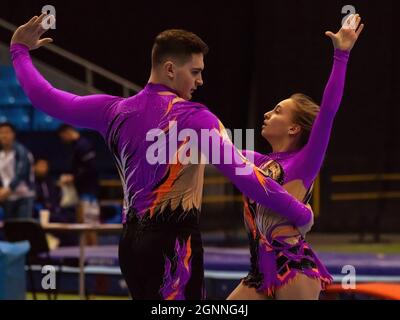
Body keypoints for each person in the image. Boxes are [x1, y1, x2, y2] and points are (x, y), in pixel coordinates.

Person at [10, 13, 313, 300]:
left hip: (131, 245)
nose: (200, 81)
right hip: (175, 245)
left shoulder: (114, 111)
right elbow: (246, 177)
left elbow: (46, 97)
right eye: (195, 72)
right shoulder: (196, 118)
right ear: (170, 69)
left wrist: (19, 51)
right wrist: (300, 212)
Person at [227, 15, 364, 300]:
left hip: (294, 266)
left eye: (277, 111)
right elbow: (218, 147)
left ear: (293, 128)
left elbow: (327, 112)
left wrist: (341, 55)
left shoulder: (305, 161)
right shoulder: (255, 160)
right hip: (259, 271)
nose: (267, 113)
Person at [57, 124, 99, 244]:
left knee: (89, 223)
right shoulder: (76, 146)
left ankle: (94, 254)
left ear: (67, 132)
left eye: (62, 137)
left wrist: (72, 177)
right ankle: (86, 254)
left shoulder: (84, 145)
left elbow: (90, 168)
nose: (63, 140)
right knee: (83, 222)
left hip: (89, 191)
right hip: (81, 191)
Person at [0, 122, 35, 220]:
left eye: (7, 132)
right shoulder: (1, 154)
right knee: (9, 229)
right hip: (7, 197)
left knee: (21, 228)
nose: (4, 135)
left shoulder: (22, 151)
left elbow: (21, 173)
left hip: (23, 195)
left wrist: (8, 189)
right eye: (1, 133)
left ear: (13, 134)